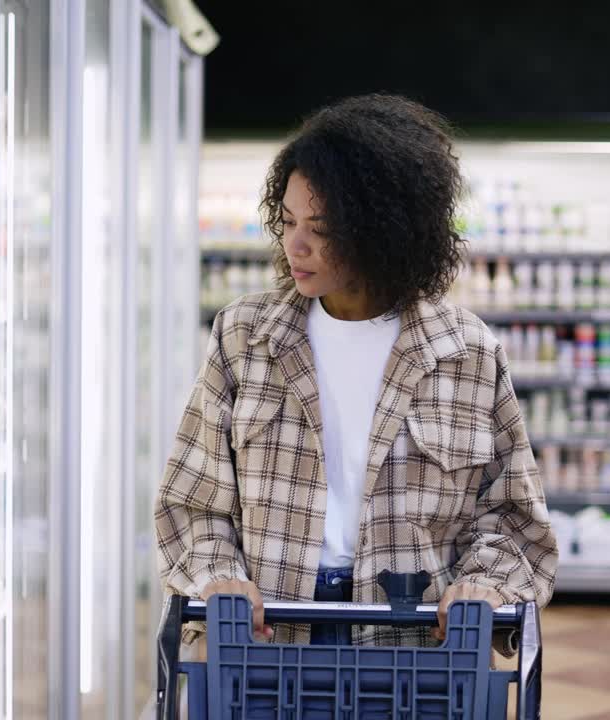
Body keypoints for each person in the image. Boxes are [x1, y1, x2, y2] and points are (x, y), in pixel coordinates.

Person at [155, 94, 557, 653]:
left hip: (412, 646)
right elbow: (192, 502)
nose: (295, 244)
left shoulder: (466, 353)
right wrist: (217, 575)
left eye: (320, 228)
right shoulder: (245, 338)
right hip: (267, 638)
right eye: (288, 221)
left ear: (383, 230)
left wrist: (484, 586)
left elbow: (513, 518)